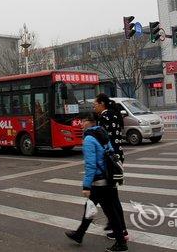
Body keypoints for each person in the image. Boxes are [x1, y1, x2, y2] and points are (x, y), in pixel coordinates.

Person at [64, 113, 128, 252]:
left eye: (82, 121)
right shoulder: (102, 133)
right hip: (109, 178)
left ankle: (121, 244)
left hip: (99, 182)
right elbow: (111, 152)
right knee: (91, 206)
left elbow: (91, 165)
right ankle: (79, 234)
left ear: (89, 122)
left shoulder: (88, 139)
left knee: (110, 213)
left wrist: (86, 186)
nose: (80, 124)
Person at [94, 93, 128, 241]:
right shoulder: (114, 115)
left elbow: (103, 142)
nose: (94, 106)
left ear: (102, 103)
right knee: (112, 196)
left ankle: (120, 231)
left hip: (109, 162)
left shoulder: (104, 118)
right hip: (117, 159)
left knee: (111, 199)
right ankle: (117, 227)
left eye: (95, 104)